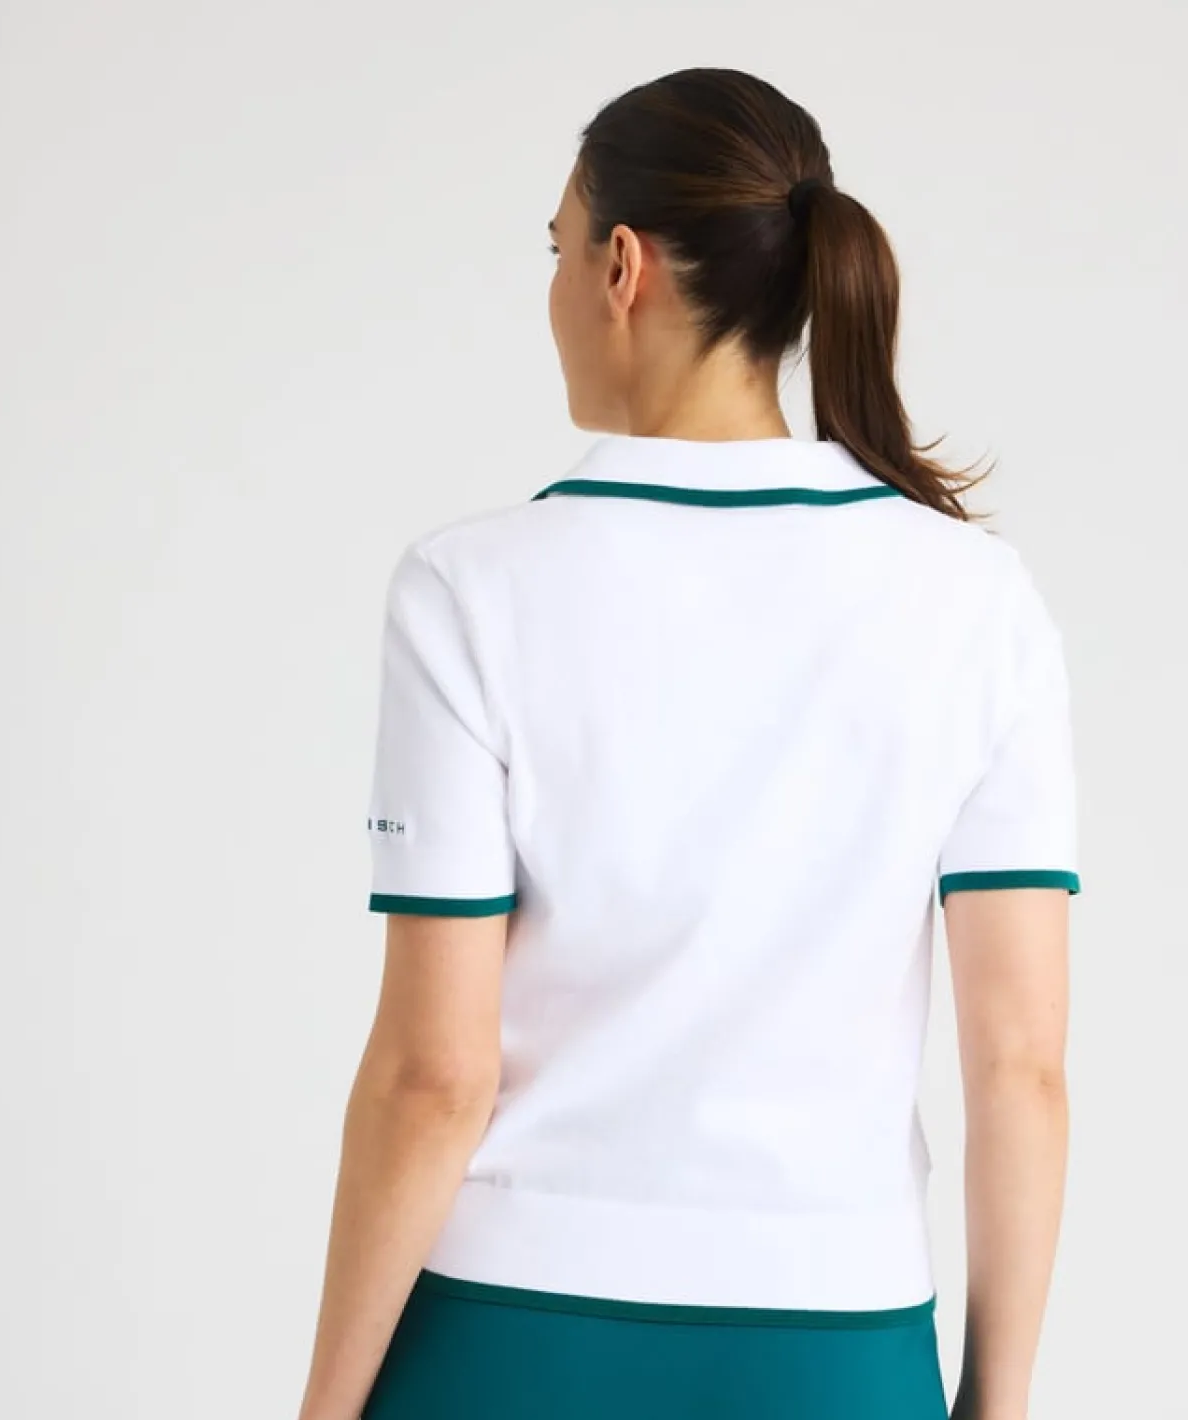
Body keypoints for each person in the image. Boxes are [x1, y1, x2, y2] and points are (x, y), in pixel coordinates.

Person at [295, 66, 1078, 1420]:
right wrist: (995, 1403)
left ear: (621, 267)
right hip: (839, 1342)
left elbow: (434, 1078)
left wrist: (322, 1407)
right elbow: (1022, 1066)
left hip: (515, 1335)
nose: (552, 292)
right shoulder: (976, 600)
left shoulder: (470, 591)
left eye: (556, 251)